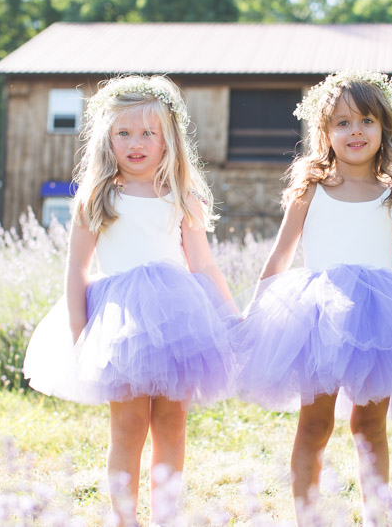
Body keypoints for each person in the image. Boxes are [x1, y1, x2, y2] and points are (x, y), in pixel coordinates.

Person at [235, 71, 392, 524]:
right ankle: (307, 516)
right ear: (325, 133)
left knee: (368, 426)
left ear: (383, 129)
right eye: (342, 123)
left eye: (366, 121)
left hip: (378, 321)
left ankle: (376, 515)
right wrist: (253, 315)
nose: (355, 132)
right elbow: (278, 259)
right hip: (316, 319)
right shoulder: (309, 192)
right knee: (314, 423)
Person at [23, 75, 235, 525]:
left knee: (172, 424)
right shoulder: (98, 197)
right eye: (124, 133)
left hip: (177, 319)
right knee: (128, 426)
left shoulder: (183, 196)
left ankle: (166, 517)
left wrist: (231, 318)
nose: (135, 143)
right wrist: (81, 337)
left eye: (147, 133)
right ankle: (125, 519)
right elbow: (77, 272)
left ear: (166, 139)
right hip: (119, 325)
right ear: (107, 138)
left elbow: (203, 266)